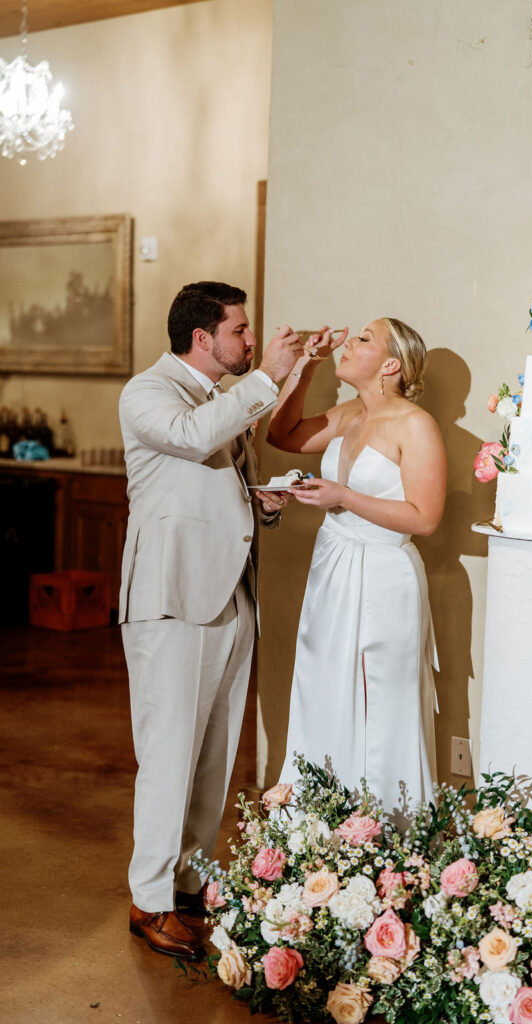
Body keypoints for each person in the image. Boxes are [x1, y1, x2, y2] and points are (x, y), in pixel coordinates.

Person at [119, 281, 304, 961]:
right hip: (170, 600)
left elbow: (210, 481)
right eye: (241, 330)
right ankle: (148, 899)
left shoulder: (217, 398)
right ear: (203, 337)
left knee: (213, 754)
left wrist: (263, 504)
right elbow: (194, 441)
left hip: (230, 593)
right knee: (168, 753)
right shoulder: (147, 392)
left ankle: (188, 879)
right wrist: (270, 377)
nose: (249, 341)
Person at [267, 318, 446, 824]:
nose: (349, 343)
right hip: (334, 566)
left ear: (391, 364)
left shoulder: (415, 425)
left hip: (384, 574)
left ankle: (385, 833)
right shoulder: (349, 413)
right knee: (322, 688)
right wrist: (306, 367)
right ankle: (317, 828)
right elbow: (282, 434)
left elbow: (425, 517)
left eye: (363, 339)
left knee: (381, 702)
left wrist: (343, 496)